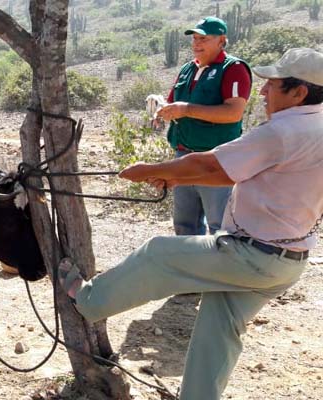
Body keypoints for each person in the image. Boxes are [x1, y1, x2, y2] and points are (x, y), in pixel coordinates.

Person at [59, 48, 323, 400]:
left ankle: (89, 300)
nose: (262, 93)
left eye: (272, 85)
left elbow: (214, 164)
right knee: (218, 333)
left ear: (299, 91)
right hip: (288, 261)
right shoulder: (316, 127)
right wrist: (177, 180)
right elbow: (231, 173)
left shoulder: (283, 131)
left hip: (253, 255)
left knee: (159, 253)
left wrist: (150, 170)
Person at [157, 16, 252, 235]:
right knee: (184, 223)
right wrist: (162, 108)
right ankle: (189, 267)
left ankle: (219, 269)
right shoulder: (187, 69)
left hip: (216, 159)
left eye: (204, 39)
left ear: (221, 40)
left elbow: (233, 113)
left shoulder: (233, 69)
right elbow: (173, 104)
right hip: (183, 156)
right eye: (195, 39)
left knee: (220, 226)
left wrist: (187, 109)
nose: (197, 44)